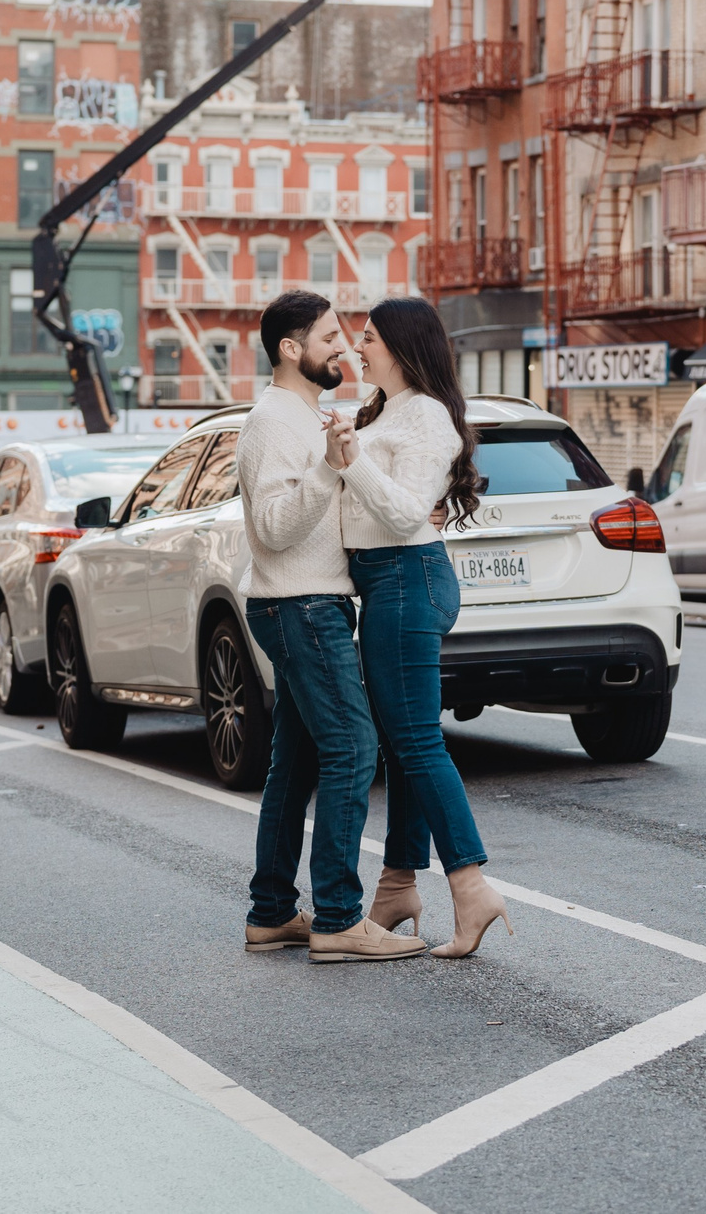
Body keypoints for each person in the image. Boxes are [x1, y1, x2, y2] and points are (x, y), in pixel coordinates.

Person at [235, 290, 426, 964]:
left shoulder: (304, 414)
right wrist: (329, 466)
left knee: (300, 757)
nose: (342, 348)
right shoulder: (271, 421)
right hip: (301, 604)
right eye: (328, 338)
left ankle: (272, 910)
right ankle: (341, 917)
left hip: (310, 603)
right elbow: (274, 527)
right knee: (352, 745)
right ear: (292, 349)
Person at [329, 296, 510, 958]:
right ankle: (398, 882)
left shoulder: (429, 416)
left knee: (414, 740)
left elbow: (406, 512)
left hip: (407, 577)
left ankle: (471, 884)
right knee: (404, 740)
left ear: (405, 346)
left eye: (370, 338)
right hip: (386, 580)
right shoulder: (383, 409)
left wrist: (352, 461)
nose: (360, 348)